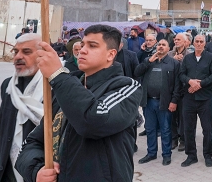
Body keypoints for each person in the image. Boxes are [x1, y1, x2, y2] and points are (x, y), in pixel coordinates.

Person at [15, 24, 141, 182]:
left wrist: (58, 74)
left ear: (111, 54)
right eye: (82, 45)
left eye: (92, 46)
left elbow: (93, 121)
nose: (82, 50)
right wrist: (37, 170)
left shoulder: (127, 87)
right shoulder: (65, 90)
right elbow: (34, 141)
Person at [0, 33, 44, 182]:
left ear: (43, 55)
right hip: (8, 169)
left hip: (39, 171)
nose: (18, 57)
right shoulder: (9, 86)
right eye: (16, 52)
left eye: (26, 52)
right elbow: (0, 127)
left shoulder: (54, 88)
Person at [134, 38, 182, 165]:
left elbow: (178, 85)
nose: (160, 46)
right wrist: (148, 62)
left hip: (164, 102)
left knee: (165, 130)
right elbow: (137, 72)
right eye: (159, 44)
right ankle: (151, 153)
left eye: (163, 45)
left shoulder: (173, 63)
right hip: (148, 102)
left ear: (168, 48)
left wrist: (174, 101)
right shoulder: (149, 60)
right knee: (150, 129)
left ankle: (166, 155)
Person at [179, 34, 212, 167]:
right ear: (193, 43)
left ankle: (208, 155)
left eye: (201, 41)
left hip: (205, 99)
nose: (199, 44)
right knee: (188, 129)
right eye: (197, 41)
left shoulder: (211, 58)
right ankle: (191, 155)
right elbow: (181, 74)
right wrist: (190, 81)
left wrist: (200, 84)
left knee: (207, 129)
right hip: (189, 98)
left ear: (205, 44)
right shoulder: (187, 58)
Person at [168, 32, 193, 152]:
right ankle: (174, 138)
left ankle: (183, 139)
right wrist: (173, 60)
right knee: (172, 115)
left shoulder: (189, 55)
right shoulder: (169, 54)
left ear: (185, 42)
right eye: (175, 39)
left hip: (184, 90)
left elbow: (191, 71)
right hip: (171, 89)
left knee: (183, 116)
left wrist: (182, 61)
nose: (176, 41)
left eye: (179, 39)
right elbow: (165, 67)